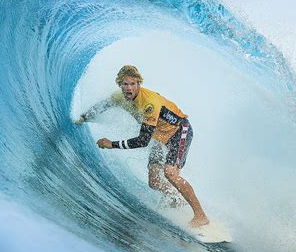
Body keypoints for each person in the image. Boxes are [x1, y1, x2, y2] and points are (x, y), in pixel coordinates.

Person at [75, 65, 209, 228]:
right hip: (159, 137)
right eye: (125, 84)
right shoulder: (119, 97)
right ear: (119, 85)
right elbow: (103, 105)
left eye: (133, 84)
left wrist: (112, 144)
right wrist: (83, 117)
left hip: (179, 132)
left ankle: (201, 216)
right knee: (154, 182)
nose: (129, 88)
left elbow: (143, 140)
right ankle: (176, 198)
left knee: (170, 173)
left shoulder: (149, 103)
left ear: (139, 84)